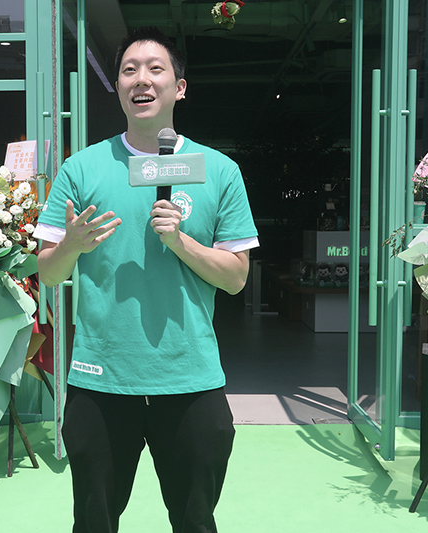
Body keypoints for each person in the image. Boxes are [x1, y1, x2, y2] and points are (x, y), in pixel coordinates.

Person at [33, 26, 259, 533]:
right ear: (117, 86)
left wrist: (180, 243)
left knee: (195, 521)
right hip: (101, 378)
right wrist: (71, 246)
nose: (142, 79)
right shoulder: (81, 168)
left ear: (180, 87)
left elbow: (236, 278)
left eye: (156, 69)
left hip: (190, 377)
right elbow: (48, 273)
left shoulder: (219, 170)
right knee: (94, 521)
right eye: (129, 70)